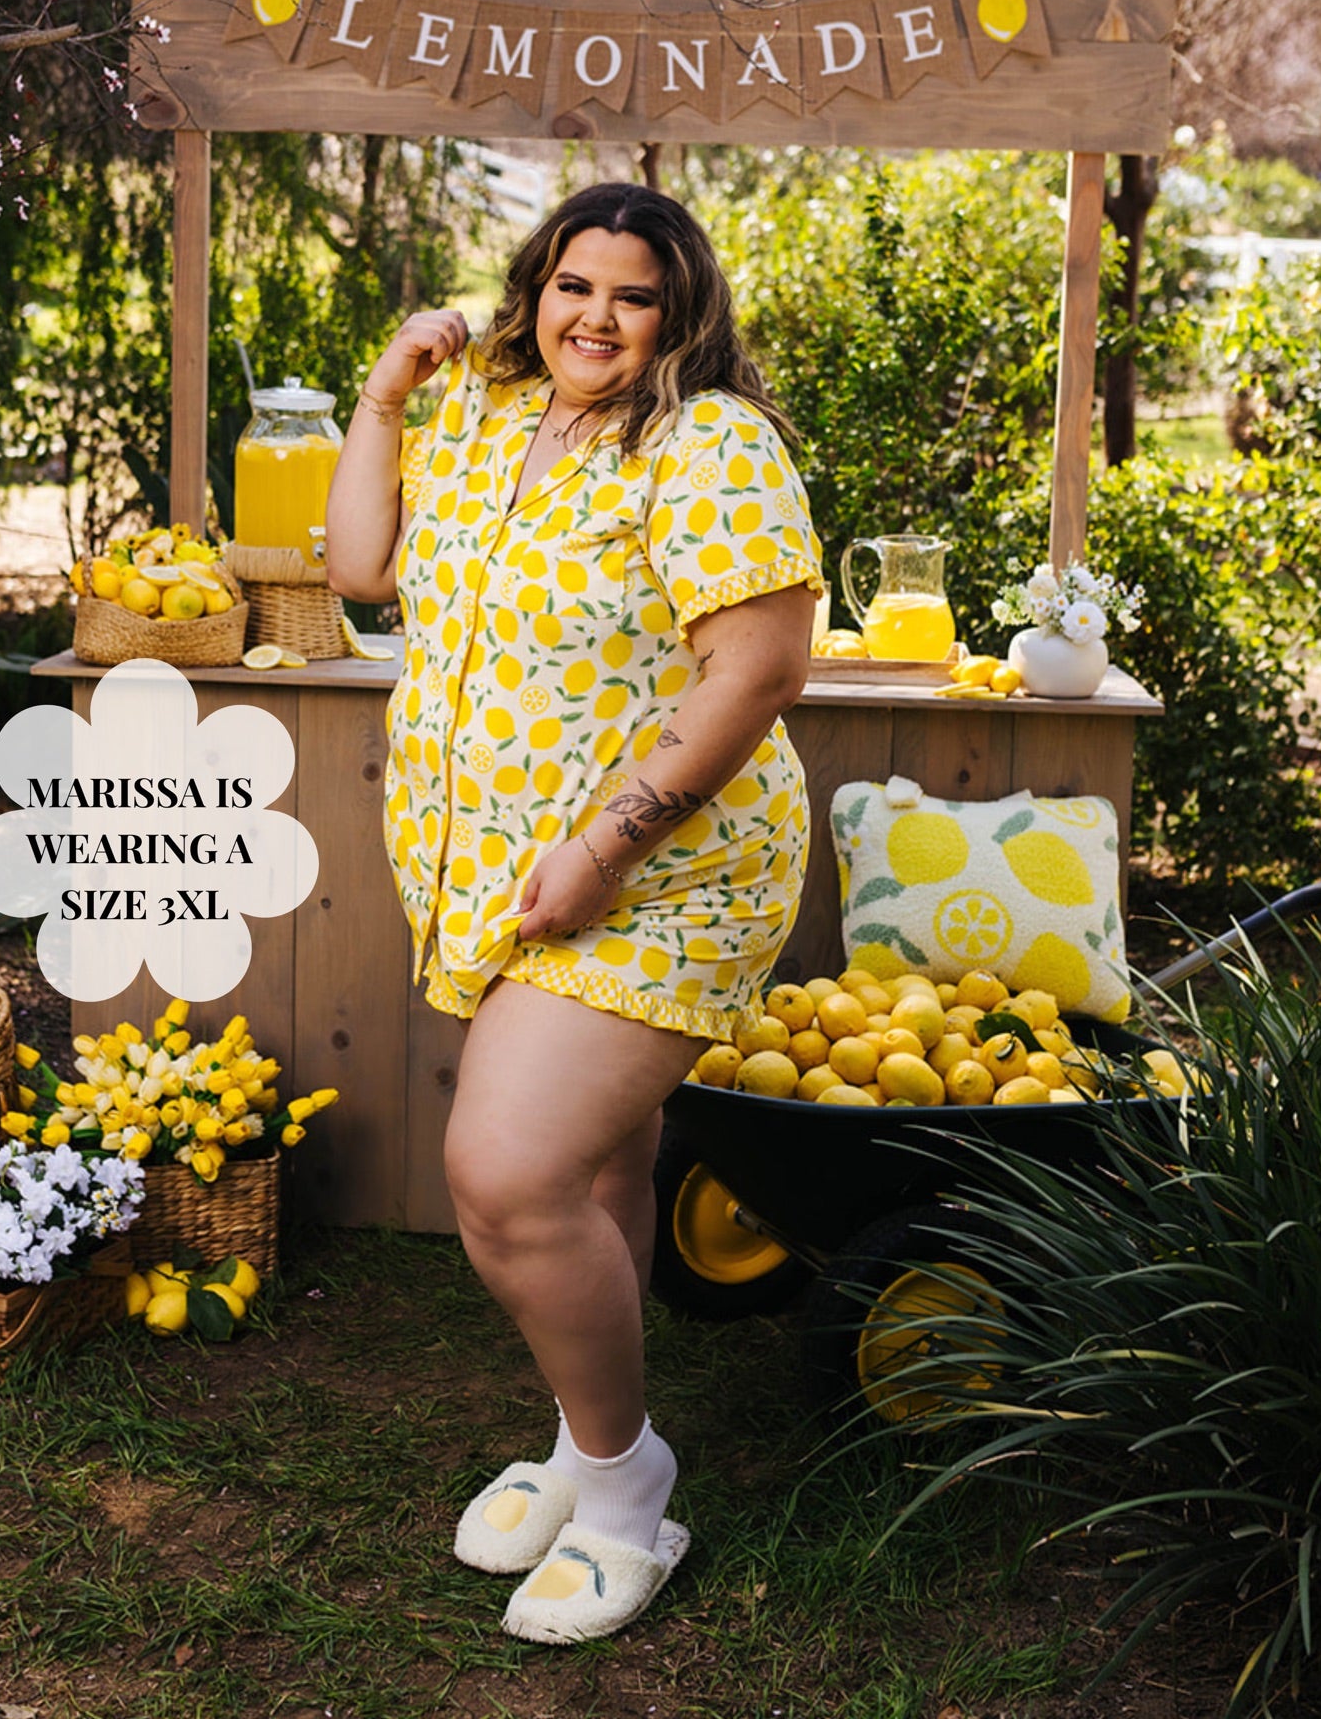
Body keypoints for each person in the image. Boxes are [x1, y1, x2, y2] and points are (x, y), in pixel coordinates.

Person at [327, 182, 822, 1645]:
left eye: (633, 296)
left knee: (505, 1172)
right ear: (533, 288)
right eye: (573, 286)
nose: (596, 318)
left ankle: (621, 1488)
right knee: (599, 1179)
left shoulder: (708, 444)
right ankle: (576, 1441)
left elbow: (762, 669)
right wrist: (380, 400)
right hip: (502, 871)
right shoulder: (482, 420)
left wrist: (608, 844)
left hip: (666, 872)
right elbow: (361, 571)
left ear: (679, 315)